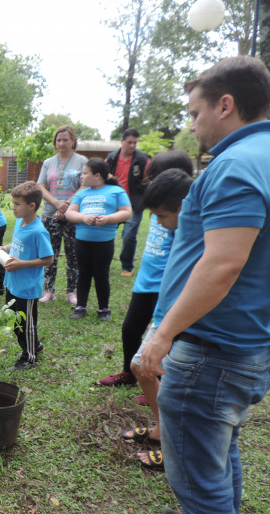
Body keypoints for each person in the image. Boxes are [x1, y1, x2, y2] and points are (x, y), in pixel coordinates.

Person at [139, 56, 270, 514]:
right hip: (246, 344)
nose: (192, 125)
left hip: (213, 350)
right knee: (222, 450)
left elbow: (221, 266)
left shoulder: (236, 164)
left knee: (197, 481)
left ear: (226, 104)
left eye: (195, 113)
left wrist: (162, 333)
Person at [116, 168, 192, 472]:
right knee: (139, 367)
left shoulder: (195, 236)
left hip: (178, 320)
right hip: (163, 313)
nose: (157, 223)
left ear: (182, 207)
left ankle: (174, 450)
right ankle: (162, 430)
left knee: (173, 386)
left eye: (161, 216)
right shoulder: (176, 231)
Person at [98, 151, 193, 389]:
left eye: (153, 177)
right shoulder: (158, 209)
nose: (147, 182)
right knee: (130, 329)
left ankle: (156, 382)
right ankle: (129, 373)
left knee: (165, 339)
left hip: (167, 287)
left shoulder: (181, 215)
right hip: (145, 281)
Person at [64, 159, 132, 321]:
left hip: (104, 243)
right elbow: (69, 213)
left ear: (97, 176)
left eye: (85, 173)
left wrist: (108, 219)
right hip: (82, 241)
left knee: (101, 275)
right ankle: (80, 306)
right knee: (84, 274)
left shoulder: (115, 191)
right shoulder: (82, 193)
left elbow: (127, 212)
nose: (81, 176)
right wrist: (83, 217)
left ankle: (104, 309)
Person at [0, 181, 53, 371]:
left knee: (26, 324)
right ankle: (35, 345)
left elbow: (48, 259)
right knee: (16, 322)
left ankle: (29, 358)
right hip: (13, 282)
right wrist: (6, 248)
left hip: (27, 287)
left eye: (17, 204)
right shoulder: (21, 222)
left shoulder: (39, 231)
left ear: (32, 206)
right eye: (13, 203)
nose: (13, 207)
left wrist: (22, 264)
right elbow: (19, 244)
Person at [37, 125, 87, 304]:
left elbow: (84, 185)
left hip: (74, 215)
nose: (62, 143)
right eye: (58, 140)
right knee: (49, 253)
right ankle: (48, 290)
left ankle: (71, 291)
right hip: (50, 214)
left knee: (73, 254)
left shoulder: (82, 161)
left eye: (66, 139)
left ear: (73, 141)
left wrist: (66, 205)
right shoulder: (48, 162)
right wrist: (57, 203)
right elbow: (41, 186)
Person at [105, 128, 150, 277]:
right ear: (122, 141)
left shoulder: (143, 159)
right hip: (112, 204)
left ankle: (127, 266)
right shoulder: (111, 158)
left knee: (129, 235)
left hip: (134, 204)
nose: (132, 145)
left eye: (135, 143)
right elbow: (101, 174)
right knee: (106, 233)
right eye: (129, 142)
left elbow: (149, 179)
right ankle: (104, 262)